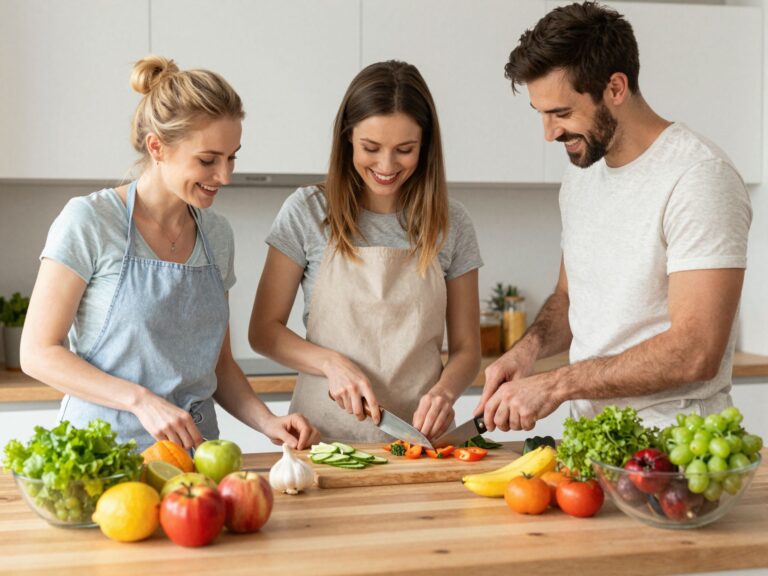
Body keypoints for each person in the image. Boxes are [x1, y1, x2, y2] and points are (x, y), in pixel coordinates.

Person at [20, 56, 319, 451]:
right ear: (157, 147)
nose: (225, 176)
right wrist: (141, 400)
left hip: (195, 462)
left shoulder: (216, 235)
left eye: (232, 157)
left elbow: (219, 365)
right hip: (104, 458)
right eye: (208, 160)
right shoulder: (90, 222)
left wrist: (268, 422)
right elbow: (38, 353)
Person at [477, 1, 752, 431]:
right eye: (542, 114)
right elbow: (569, 299)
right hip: (592, 439)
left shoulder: (699, 177)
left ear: (616, 88)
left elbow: (696, 350)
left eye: (561, 113)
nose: (549, 133)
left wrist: (555, 385)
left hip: (674, 448)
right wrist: (526, 351)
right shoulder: (582, 177)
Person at [249, 61, 482, 442]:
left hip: (418, 443)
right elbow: (263, 331)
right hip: (321, 441)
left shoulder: (451, 222)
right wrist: (330, 363)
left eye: (405, 150)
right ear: (347, 139)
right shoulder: (307, 211)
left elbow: (468, 349)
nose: (387, 166)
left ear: (425, 146)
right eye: (370, 148)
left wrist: (445, 391)